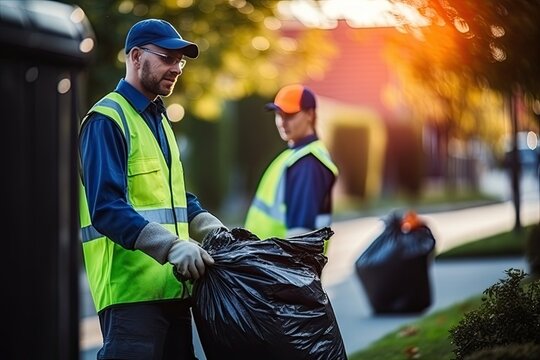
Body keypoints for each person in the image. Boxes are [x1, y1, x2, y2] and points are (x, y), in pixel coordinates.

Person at [78, 18, 227, 359]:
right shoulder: (107, 119)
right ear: (135, 57)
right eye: (167, 57)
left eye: (180, 61)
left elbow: (172, 198)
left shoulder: (159, 119)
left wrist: (210, 226)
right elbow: (106, 208)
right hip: (131, 301)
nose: (176, 68)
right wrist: (173, 247)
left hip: (174, 292)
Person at [244, 84, 338, 252]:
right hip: (270, 267)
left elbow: (300, 234)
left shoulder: (307, 162)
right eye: (278, 114)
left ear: (310, 114)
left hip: (282, 271)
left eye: (290, 115)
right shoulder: (294, 156)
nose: (282, 122)